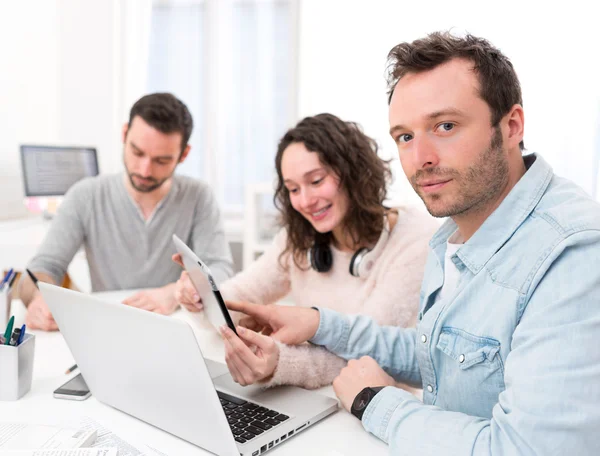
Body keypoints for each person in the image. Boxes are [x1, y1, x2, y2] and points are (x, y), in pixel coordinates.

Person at [217, 32, 600, 454]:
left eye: (445, 126)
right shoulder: (454, 234)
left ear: (511, 126)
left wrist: (376, 402)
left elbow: (528, 450)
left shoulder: (573, 254)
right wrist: (322, 323)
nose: (421, 159)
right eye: (405, 136)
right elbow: (441, 357)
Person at [174, 113, 438, 389]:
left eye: (316, 181)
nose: (306, 201)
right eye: (293, 189)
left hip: (374, 405)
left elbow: (370, 351)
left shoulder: (414, 239)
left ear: (352, 172)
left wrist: (279, 362)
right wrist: (200, 298)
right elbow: (241, 297)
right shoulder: (299, 238)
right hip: (312, 397)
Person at [20, 93, 234, 331]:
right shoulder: (85, 195)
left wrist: (173, 293)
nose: (144, 170)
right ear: (124, 135)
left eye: (161, 161)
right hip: (110, 328)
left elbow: (220, 270)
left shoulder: (198, 196)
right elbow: (41, 269)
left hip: (177, 326)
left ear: (183, 155)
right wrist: (39, 299)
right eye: (137, 152)